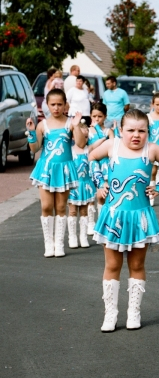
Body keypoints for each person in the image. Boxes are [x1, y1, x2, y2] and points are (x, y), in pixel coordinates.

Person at [89, 109, 159, 332]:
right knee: (112, 265)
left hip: (140, 216)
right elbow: (91, 158)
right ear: (121, 130)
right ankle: (110, 313)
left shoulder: (152, 150)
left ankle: (134, 312)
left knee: (137, 265)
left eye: (142, 130)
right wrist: (100, 182)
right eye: (130, 130)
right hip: (113, 215)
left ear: (148, 132)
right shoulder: (112, 146)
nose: (136, 135)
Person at [26, 89, 87, 257]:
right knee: (46, 206)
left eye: (60, 104)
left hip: (64, 169)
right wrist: (31, 133)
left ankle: (59, 244)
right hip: (46, 169)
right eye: (53, 104)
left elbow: (81, 144)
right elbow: (35, 148)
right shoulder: (42, 124)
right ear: (47, 104)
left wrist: (76, 126)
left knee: (61, 207)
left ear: (65, 104)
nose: (56, 108)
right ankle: (49, 243)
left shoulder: (70, 123)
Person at [87, 102, 114, 234]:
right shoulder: (87, 131)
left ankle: (102, 220)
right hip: (91, 165)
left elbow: (114, 146)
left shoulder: (109, 131)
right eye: (94, 116)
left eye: (100, 116)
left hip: (105, 166)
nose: (97, 119)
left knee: (103, 194)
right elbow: (88, 148)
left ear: (105, 116)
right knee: (91, 195)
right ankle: (91, 222)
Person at [67, 125, 95, 249]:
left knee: (84, 211)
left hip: (85, 184)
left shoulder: (88, 150)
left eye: (86, 137)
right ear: (74, 136)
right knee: (72, 211)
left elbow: (102, 141)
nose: (84, 139)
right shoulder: (70, 150)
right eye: (81, 136)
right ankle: (72, 236)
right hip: (74, 185)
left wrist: (96, 129)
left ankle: (83, 236)